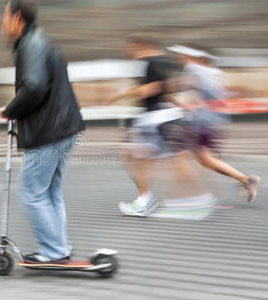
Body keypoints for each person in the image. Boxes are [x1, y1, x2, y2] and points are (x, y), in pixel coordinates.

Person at [0, 0, 85, 263]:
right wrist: (14, 106)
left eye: (4, 17)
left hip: (49, 132)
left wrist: (11, 109)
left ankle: (55, 251)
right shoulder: (42, 41)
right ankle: (60, 247)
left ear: (17, 18)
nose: (1, 24)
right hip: (65, 129)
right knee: (50, 192)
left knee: (32, 193)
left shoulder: (30, 44)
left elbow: (34, 87)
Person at [166, 44, 260, 203]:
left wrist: (179, 103)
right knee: (205, 160)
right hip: (210, 122)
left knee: (181, 156)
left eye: (182, 55)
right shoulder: (213, 72)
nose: (179, 58)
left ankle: (191, 196)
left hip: (199, 122)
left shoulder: (195, 71)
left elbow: (198, 96)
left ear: (194, 57)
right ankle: (245, 180)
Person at [108, 35, 184, 216]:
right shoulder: (164, 61)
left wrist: (121, 95)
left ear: (141, 46)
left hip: (153, 117)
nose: (131, 54)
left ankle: (145, 200)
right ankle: (240, 180)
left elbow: (151, 89)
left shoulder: (152, 63)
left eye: (132, 50)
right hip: (162, 115)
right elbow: (167, 88)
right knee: (166, 156)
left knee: (130, 154)